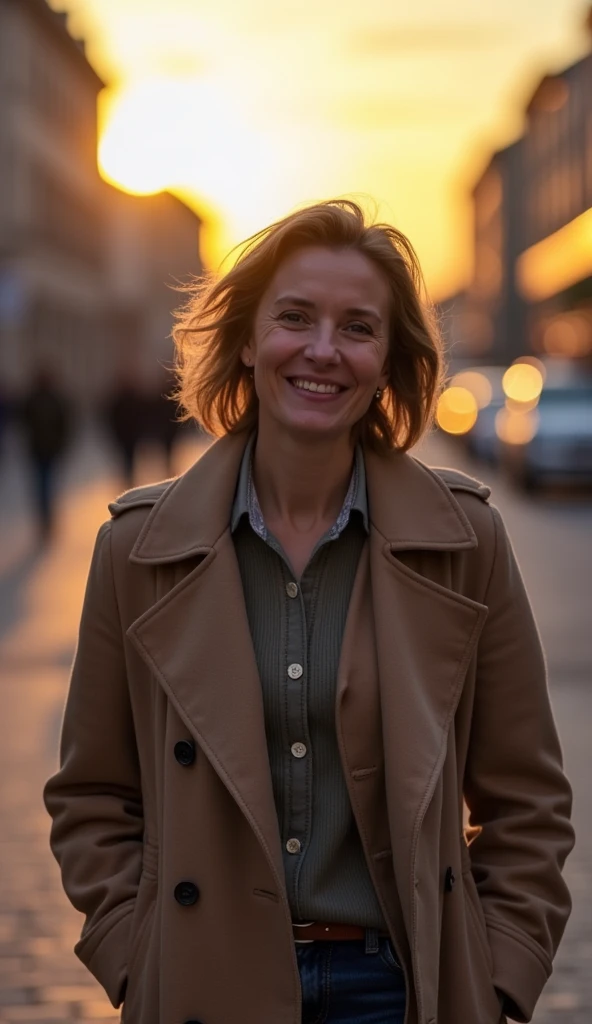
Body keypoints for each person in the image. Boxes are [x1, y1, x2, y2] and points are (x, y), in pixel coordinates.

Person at [43, 200, 574, 1024]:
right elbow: (91, 796)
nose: (323, 351)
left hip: (400, 991)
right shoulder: (137, 551)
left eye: (358, 327)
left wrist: (497, 975)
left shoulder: (468, 542)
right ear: (249, 341)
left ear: (388, 359)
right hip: (202, 985)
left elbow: (528, 802)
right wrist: (132, 952)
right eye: (295, 318)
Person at [19, 367, 72, 540]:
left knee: (43, 483)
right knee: (46, 483)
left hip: (42, 448)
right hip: (45, 449)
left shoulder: (35, 398)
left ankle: (45, 518)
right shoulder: (51, 399)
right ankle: (46, 518)